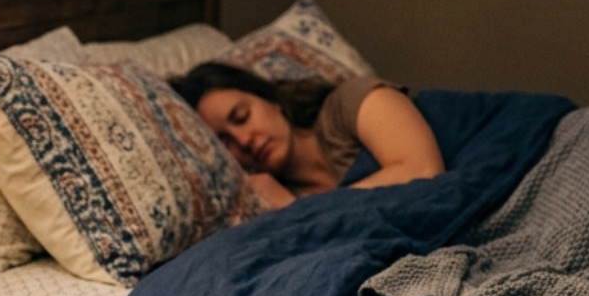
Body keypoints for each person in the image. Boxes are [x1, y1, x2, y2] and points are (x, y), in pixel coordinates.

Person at [170, 62, 445, 209]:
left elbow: (423, 169)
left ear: (269, 99)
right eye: (225, 142)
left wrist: (301, 208)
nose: (244, 141)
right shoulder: (275, 197)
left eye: (242, 117)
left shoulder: (348, 105)